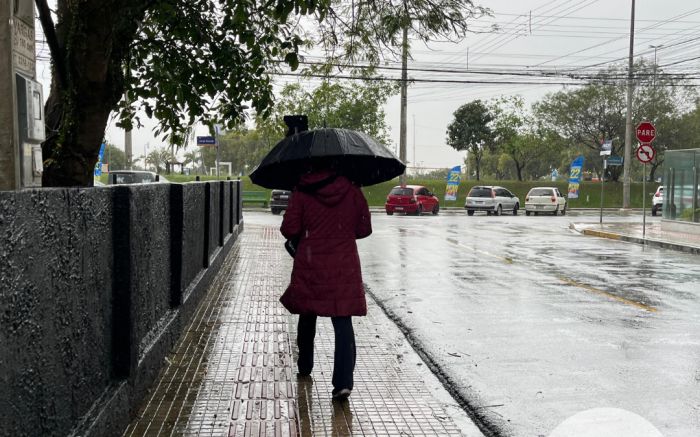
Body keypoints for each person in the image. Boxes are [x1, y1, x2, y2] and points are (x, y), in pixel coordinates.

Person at [279, 164, 372, 401]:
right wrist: (341, 233)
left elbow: (289, 228)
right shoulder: (351, 189)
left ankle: (305, 364)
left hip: (312, 263)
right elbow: (364, 228)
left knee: (307, 312)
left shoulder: (302, 190)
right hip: (344, 264)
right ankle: (343, 383)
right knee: (342, 320)